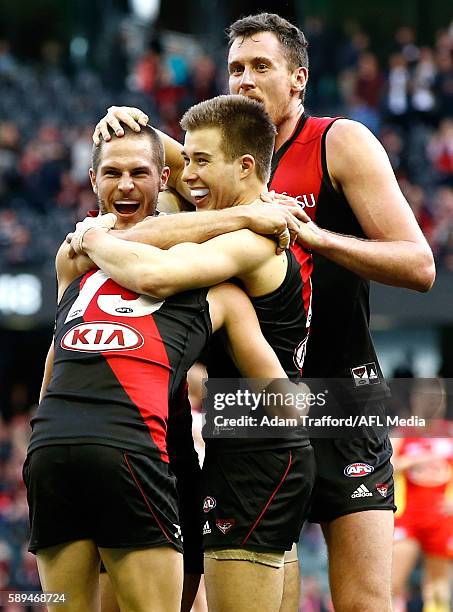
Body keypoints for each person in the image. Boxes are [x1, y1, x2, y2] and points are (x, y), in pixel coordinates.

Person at [93, 12, 436, 610]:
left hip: (342, 397)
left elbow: (420, 265)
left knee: (364, 603)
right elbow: (151, 166)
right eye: (234, 69)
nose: (244, 80)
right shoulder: (217, 160)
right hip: (251, 408)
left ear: (298, 79)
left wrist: (318, 237)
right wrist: (127, 123)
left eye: (260, 66)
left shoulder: (340, 141)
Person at [24, 123, 308, 612]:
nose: (126, 184)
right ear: (91, 179)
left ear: (163, 181)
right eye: (112, 173)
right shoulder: (90, 255)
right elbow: (284, 402)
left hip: (60, 454)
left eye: (140, 172)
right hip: (128, 456)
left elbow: (59, 355)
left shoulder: (79, 251)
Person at [392, 380, 453, 612]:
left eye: (438, 398)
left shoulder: (449, 432)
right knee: (393, 584)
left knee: (438, 587)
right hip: (407, 516)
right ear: (416, 400)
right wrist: (413, 461)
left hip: (441, 517)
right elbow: (384, 465)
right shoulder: (403, 432)